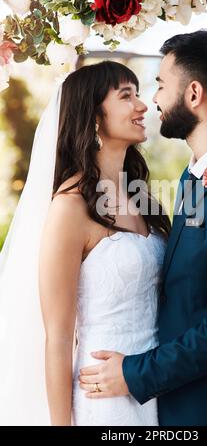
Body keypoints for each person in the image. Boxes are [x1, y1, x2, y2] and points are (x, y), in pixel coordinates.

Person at [79, 28, 207, 426]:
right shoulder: (194, 177)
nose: (153, 100)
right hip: (177, 407)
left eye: (160, 85)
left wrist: (133, 372)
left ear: (193, 94)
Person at [0, 61, 170, 426]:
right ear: (94, 117)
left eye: (138, 94)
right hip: (103, 400)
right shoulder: (69, 207)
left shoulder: (140, 197)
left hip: (156, 388)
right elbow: (58, 339)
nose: (142, 106)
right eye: (126, 96)